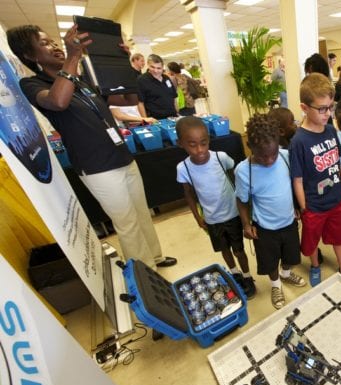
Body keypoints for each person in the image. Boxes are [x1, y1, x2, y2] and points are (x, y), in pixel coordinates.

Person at [7, 24, 176, 269]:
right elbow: (58, 102)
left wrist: (120, 65)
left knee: (142, 213)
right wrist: (74, 56)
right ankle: (145, 272)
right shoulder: (33, 85)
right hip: (97, 167)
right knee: (126, 222)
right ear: (30, 56)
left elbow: (126, 98)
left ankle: (156, 257)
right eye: (44, 44)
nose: (54, 46)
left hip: (122, 155)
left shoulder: (82, 80)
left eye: (53, 41)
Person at [289, 74, 341, 287]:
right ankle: (315, 266)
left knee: (340, 237)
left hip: (338, 198)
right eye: (322, 108)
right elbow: (297, 179)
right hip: (314, 205)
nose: (328, 113)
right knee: (311, 241)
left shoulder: (330, 130)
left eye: (330, 107)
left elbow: (337, 161)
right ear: (304, 107)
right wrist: (305, 208)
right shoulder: (299, 141)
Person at [175, 117, 255, 298]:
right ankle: (234, 273)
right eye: (192, 145)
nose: (200, 150)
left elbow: (236, 176)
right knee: (224, 249)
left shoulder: (221, 158)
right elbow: (188, 194)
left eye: (203, 143)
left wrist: (246, 206)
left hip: (233, 214)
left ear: (209, 140)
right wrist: (197, 217)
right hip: (212, 219)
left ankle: (247, 276)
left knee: (239, 249)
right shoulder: (183, 169)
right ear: (180, 144)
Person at [234, 114, 306, 309]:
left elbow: (293, 184)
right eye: (262, 155)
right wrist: (246, 224)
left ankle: (286, 273)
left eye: (272, 154)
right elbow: (241, 201)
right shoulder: (243, 171)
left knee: (291, 256)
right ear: (249, 146)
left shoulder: (285, 156)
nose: (269, 160)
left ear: (278, 144)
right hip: (264, 227)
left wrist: (297, 207)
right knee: (270, 261)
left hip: (289, 221)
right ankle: (276, 284)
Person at [137, 54, 178, 119]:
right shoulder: (142, 80)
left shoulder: (166, 78)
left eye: (159, 68)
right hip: (155, 119)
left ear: (162, 67)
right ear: (148, 65)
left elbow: (174, 96)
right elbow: (140, 102)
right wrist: (145, 119)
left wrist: (177, 111)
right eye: (152, 67)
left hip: (172, 116)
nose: (155, 71)